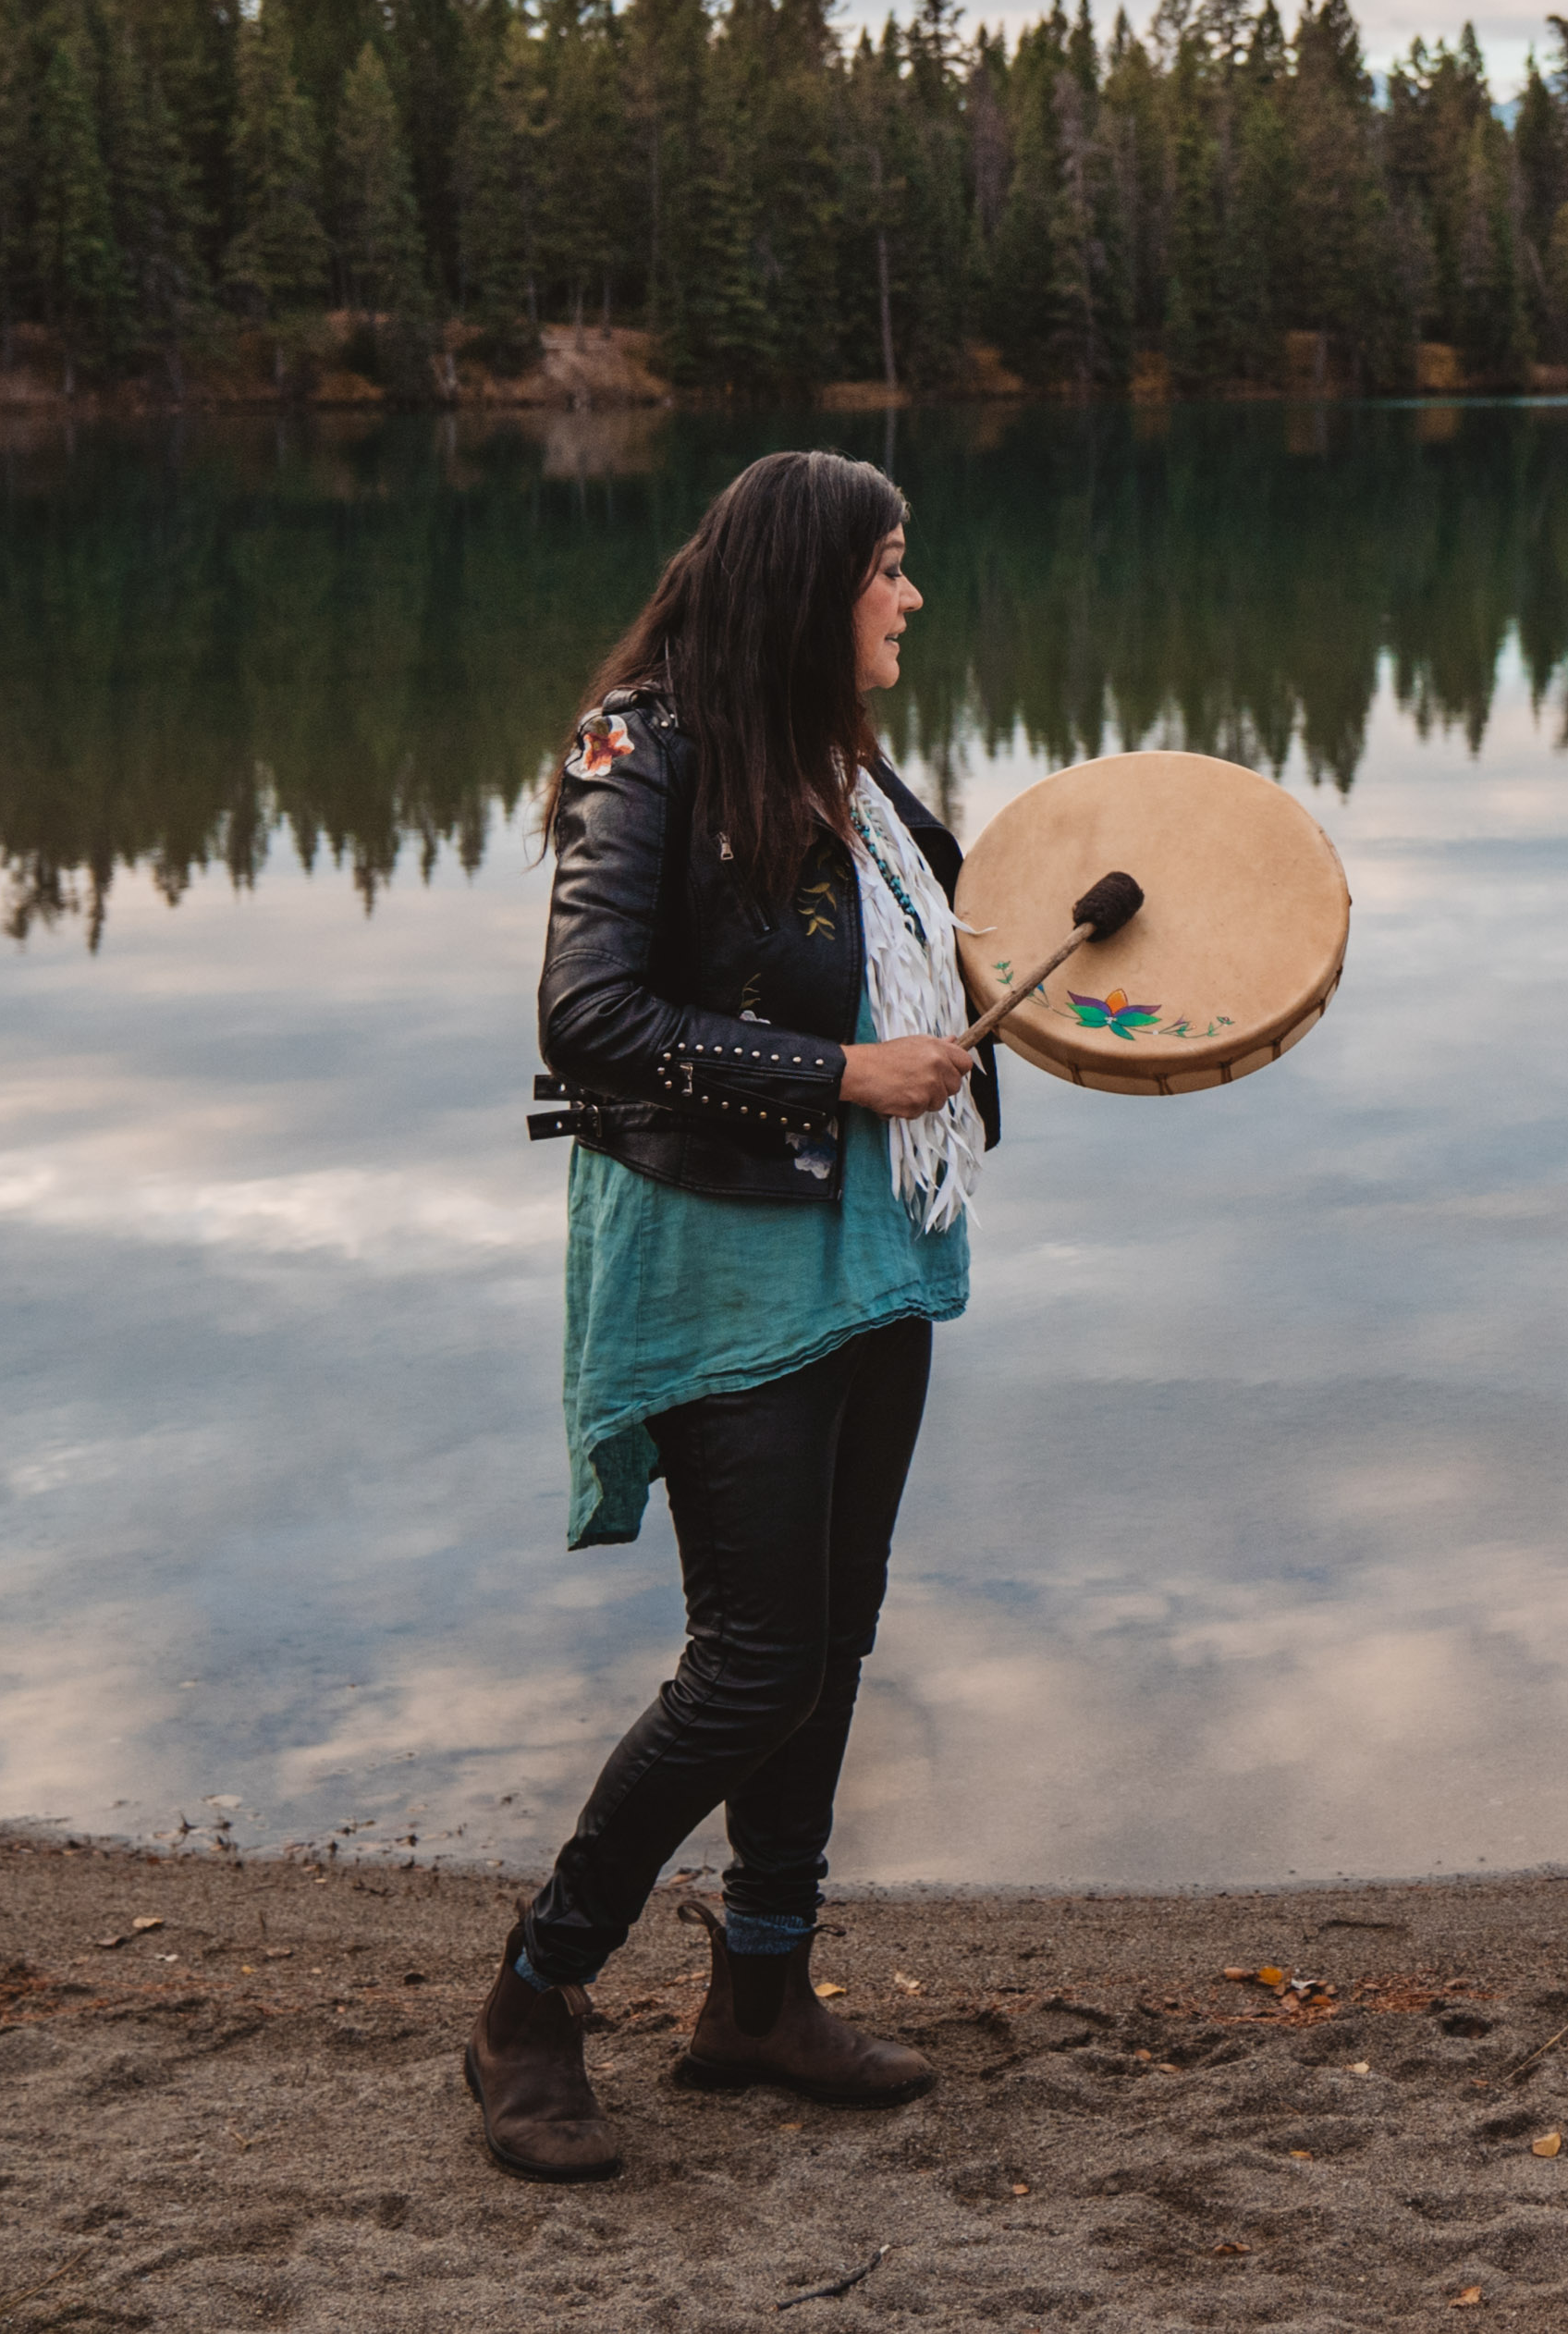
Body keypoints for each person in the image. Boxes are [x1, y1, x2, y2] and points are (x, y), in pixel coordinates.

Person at [470, 447, 997, 2183]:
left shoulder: (843, 758)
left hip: (870, 1246)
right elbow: (589, 1014)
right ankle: (531, 2001)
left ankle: (760, 1990)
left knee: (830, 1638)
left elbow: (948, 947)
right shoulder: (646, 742)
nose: (911, 596)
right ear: (806, 580)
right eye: (890, 567)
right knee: (753, 1654)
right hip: (716, 1249)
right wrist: (842, 1069)